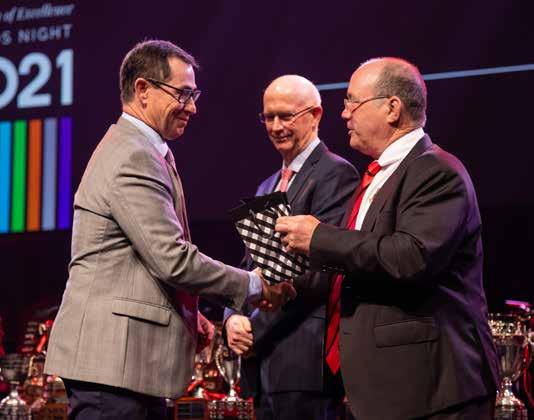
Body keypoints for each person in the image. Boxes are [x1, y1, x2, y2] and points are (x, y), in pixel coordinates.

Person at [44, 40, 295, 420]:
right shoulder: (133, 154)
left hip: (126, 367)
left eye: (194, 95)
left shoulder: (142, 149)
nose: (192, 107)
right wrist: (255, 285)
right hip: (112, 366)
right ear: (143, 89)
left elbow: (137, 262)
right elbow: (172, 259)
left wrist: (190, 315)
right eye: (183, 94)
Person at [275, 57, 500, 420]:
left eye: (352, 102)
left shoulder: (436, 170)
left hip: (432, 390)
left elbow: (409, 257)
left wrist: (319, 236)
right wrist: (287, 285)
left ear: (392, 108)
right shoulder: (376, 176)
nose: (344, 113)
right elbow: (359, 261)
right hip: (386, 388)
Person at [224, 75, 359, 420]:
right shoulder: (267, 184)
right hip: (264, 366)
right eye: (268, 117)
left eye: (286, 116)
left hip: (305, 363)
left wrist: (255, 328)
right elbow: (248, 265)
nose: (275, 126)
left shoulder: (337, 174)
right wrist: (233, 317)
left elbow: (323, 271)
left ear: (315, 115)